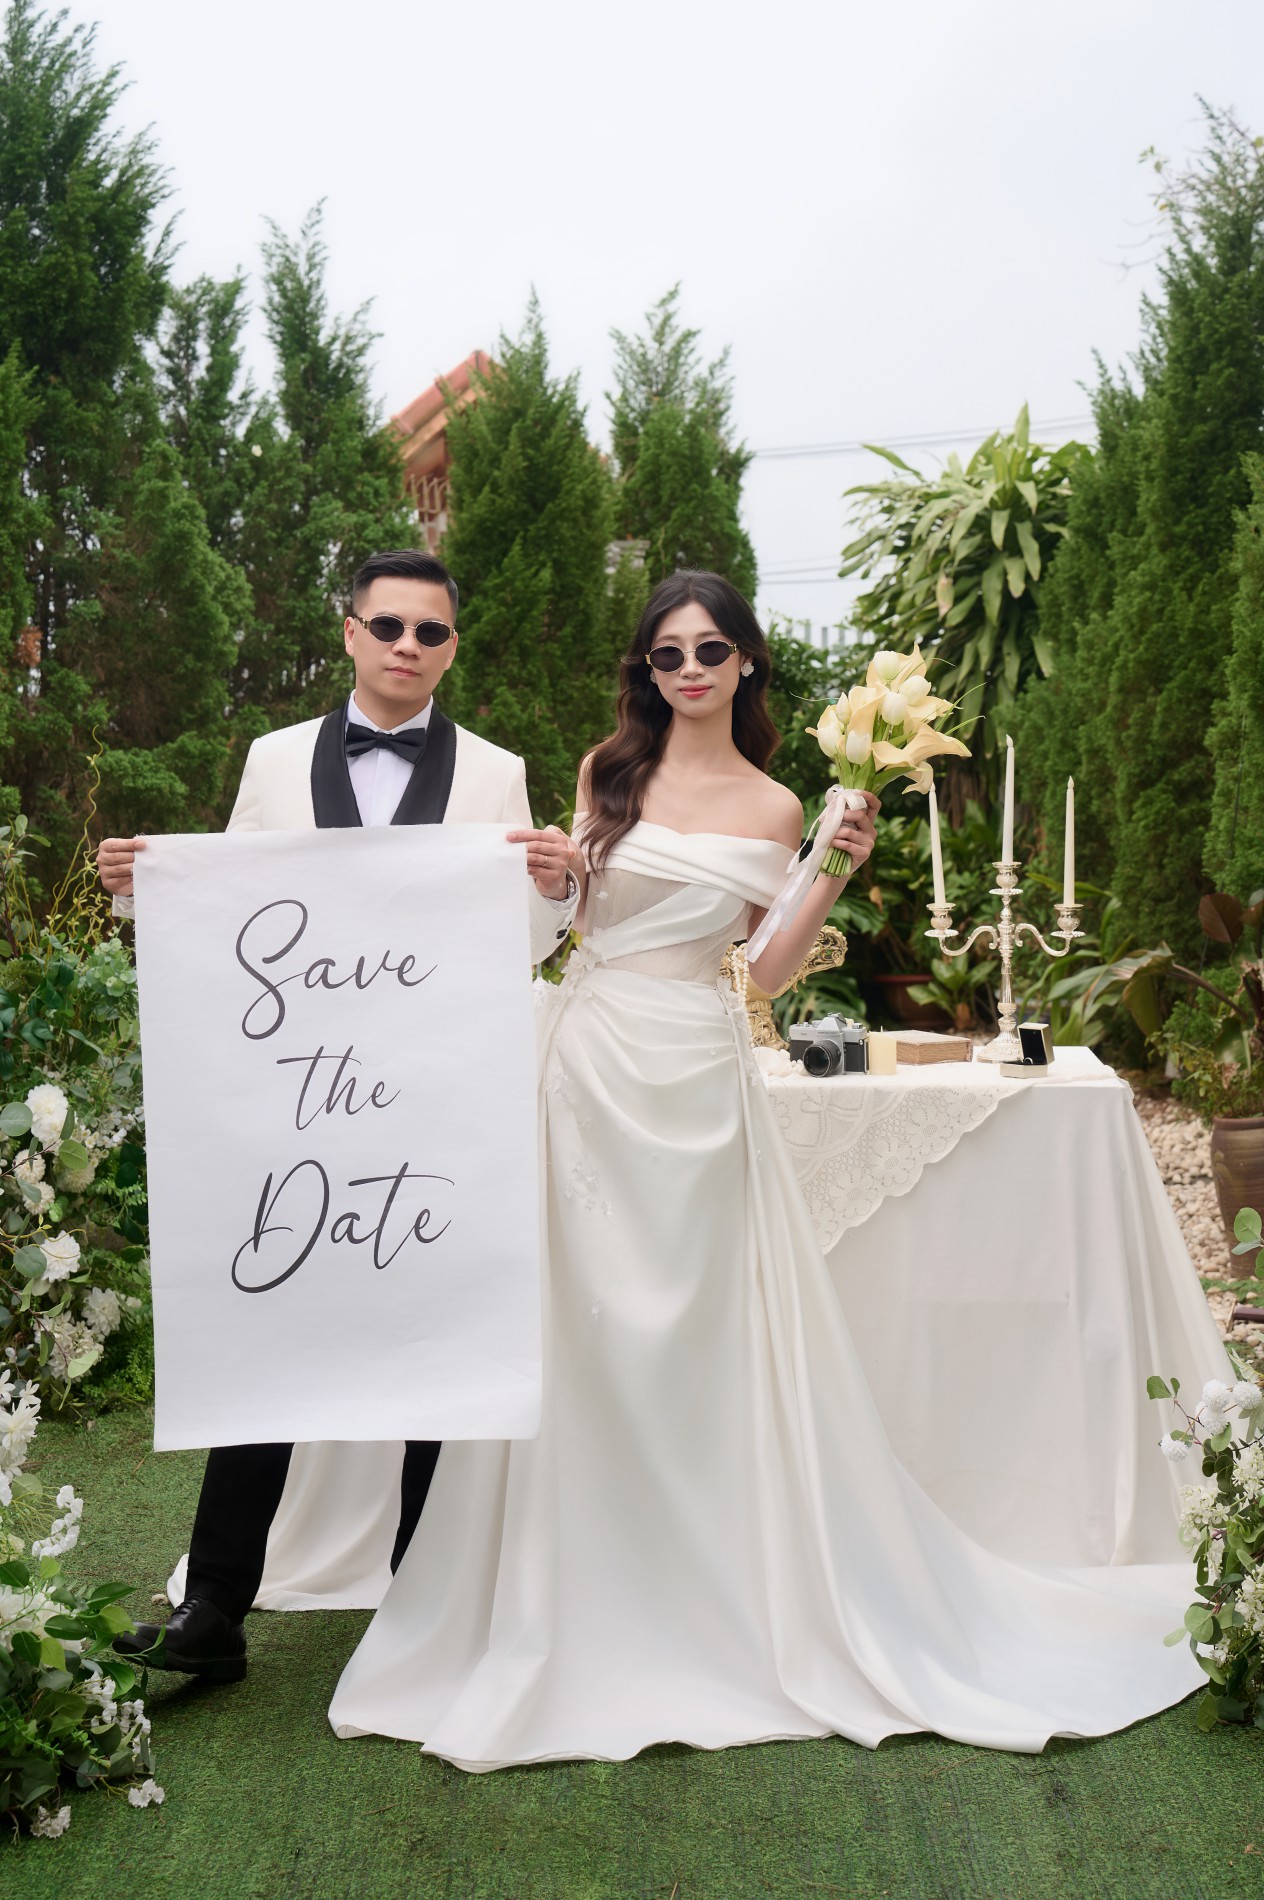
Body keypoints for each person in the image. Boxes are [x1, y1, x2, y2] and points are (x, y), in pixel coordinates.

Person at [327, 568, 1200, 1767]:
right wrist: (557, 882)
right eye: (667, 653)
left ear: (744, 663)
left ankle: (719, 1592)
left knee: (695, 1331)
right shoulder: (606, 771)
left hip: (695, 1071)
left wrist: (832, 864)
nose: (688, 669)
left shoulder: (781, 805)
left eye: (709, 650)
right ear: (646, 669)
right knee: (583, 1327)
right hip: (587, 1065)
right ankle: (568, 1594)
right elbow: (569, 927)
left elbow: (765, 971)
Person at [98, 548, 579, 1683]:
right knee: (268, 1324)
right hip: (294, 1101)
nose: (409, 646)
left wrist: (556, 890)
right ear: (350, 632)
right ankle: (215, 1607)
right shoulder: (272, 760)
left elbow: (519, 943)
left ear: (452, 647)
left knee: (439, 1340)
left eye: (431, 631)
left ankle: (423, 1601)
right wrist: (145, 891)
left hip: (436, 1101)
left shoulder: (496, 772)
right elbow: (229, 915)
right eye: (389, 626)